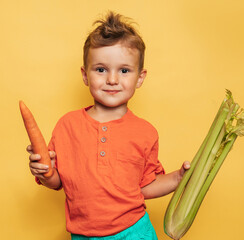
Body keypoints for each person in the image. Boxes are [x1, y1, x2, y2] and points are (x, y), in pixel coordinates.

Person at [26, 11, 190, 239]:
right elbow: (57, 183)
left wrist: (178, 178)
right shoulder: (67, 126)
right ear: (85, 75)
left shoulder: (146, 132)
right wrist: (44, 172)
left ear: (139, 78)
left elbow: (145, 186)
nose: (112, 80)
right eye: (101, 69)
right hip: (83, 234)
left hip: (134, 231)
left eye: (124, 71)